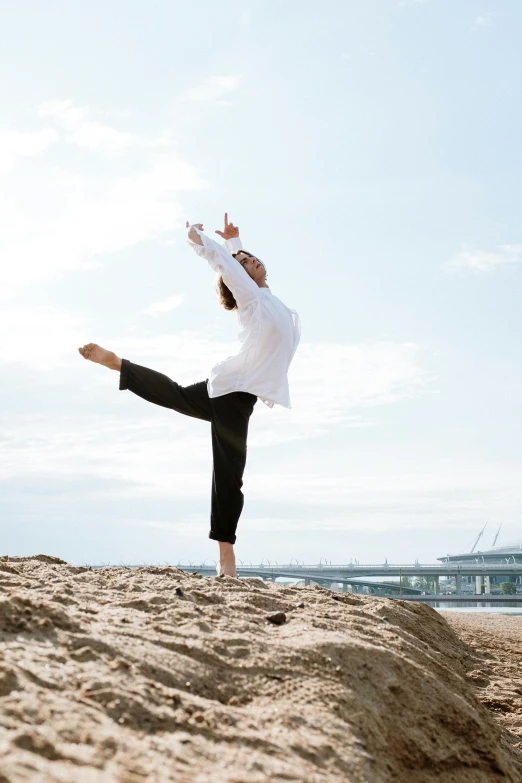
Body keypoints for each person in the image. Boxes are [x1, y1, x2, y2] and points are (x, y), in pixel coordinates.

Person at [78, 213, 301, 577]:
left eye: (252, 258)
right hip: (234, 394)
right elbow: (224, 266)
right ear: (237, 279)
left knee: (176, 395)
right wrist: (198, 239)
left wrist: (236, 245)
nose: (251, 261)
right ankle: (226, 556)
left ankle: (120, 365)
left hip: (231, 390)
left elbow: (238, 266)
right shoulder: (251, 299)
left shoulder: (266, 297)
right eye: (243, 263)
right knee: (229, 473)